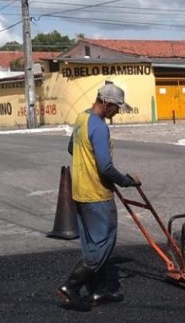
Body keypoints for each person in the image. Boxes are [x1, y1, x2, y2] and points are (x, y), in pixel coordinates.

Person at [57, 81, 140, 308]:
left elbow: (71, 149)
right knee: (103, 244)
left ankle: (99, 291)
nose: (117, 112)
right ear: (105, 102)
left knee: (91, 243)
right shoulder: (100, 127)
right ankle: (71, 286)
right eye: (116, 107)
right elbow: (105, 167)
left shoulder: (81, 119)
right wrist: (126, 181)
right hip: (97, 194)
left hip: (80, 192)